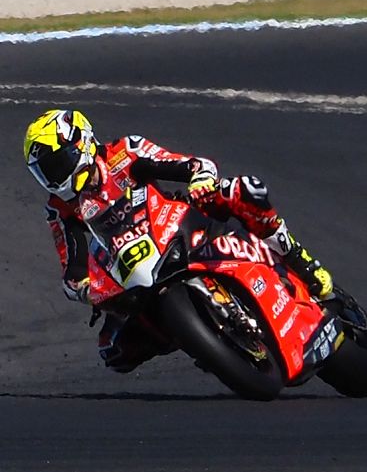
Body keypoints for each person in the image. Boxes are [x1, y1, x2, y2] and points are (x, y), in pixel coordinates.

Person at [23, 109, 333, 372]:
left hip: (180, 224)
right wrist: (86, 290)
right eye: (45, 172)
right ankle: (201, 337)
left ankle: (298, 258)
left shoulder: (124, 152)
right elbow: (72, 270)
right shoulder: (61, 209)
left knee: (244, 190)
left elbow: (191, 164)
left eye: (57, 164)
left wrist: (200, 178)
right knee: (114, 350)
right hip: (133, 270)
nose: (54, 177)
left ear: (83, 143)